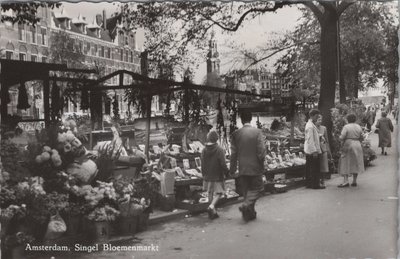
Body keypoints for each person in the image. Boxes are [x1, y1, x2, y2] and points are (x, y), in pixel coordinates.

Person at [230, 111, 266, 221]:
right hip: (255, 167)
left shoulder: (236, 134)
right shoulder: (257, 132)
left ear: (241, 120)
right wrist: (262, 162)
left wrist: (232, 169)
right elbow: (261, 151)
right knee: (258, 189)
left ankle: (249, 213)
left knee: (246, 191)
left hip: (242, 167)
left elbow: (233, 153)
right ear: (251, 119)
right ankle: (246, 205)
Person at [201, 130, 229, 220]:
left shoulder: (204, 149)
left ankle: (213, 212)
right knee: (219, 193)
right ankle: (211, 206)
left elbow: (202, 163)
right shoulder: (219, 149)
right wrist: (226, 172)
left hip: (207, 174)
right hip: (217, 174)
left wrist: (203, 173)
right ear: (216, 139)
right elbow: (223, 164)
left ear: (208, 138)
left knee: (210, 192)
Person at [338, 114, 365, 187]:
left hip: (348, 144)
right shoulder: (358, 126)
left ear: (347, 119)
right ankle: (354, 181)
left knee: (345, 161)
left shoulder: (346, 127)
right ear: (355, 119)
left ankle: (346, 181)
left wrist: (339, 138)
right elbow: (362, 136)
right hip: (357, 144)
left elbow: (342, 137)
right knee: (356, 162)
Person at [304, 109, 324, 189]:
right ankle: (315, 184)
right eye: (316, 116)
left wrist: (319, 136)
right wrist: (314, 151)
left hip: (310, 150)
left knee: (310, 167)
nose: (317, 118)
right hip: (312, 151)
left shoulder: (311, 125)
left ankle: (309, 184)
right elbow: (310, 140)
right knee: (315, 168)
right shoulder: (310, 126)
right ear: (312, 116)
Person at [315, 115, 331, 187]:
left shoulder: (324, 128)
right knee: (317, 165)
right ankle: (317, 180)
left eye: (321, 120)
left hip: (323, 148)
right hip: (315, 149)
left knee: (324, 165)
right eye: (318, 120)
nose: (320, 121)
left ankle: (323, 180)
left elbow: (327, 140)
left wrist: (328, 150)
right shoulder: (313, 128)